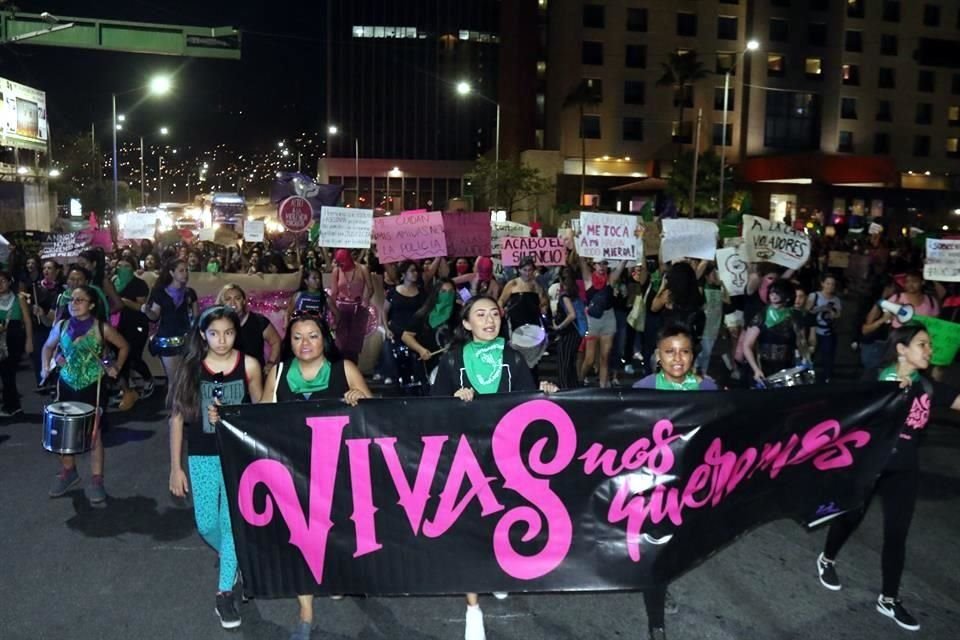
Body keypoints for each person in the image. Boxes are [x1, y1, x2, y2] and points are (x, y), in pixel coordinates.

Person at [816, 324, 960, 632]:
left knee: (897, 533)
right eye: (923, 344)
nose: (930, 350)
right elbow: (847, 417)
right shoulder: (874, 380)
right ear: (901, 349)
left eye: (930, 345)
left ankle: (889, 598)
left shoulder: (929, 388)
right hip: (870, 464)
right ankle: (827, 558)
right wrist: (893, 392)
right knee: (851, 517)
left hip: (905, 469)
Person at [430, 295, 557, 640]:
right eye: (480, 315)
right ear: (467, 324)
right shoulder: (452, 359)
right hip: (465, 457)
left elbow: (529, 406)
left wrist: (545, 392)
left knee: (504, 523)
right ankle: (473, 608)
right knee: (471, 528)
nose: (490, 320)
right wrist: (453, 402)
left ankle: (497, 575)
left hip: (506, 457)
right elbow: (431, 411)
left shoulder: (514, 357)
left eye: (494, 314)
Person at [254, 313, 372, 640]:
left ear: (325, 338)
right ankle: (305, 612)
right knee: (300, 538)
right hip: (292, 470)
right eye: (297, 337)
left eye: (312, 336)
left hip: (338, 469)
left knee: (336, 531)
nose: (305, 344)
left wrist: (359, 399)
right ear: (289, 341)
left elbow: (375, 415)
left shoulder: (344, 370)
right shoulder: (277, 374)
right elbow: (261, 416)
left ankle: (336, 576)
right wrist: (226, 416)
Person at [169, 305, 263, 630]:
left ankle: (225, 593)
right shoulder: (191, 369)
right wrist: (175, 467)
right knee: (206, 522)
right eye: (214, 333)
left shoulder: (249, 365)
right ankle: (235, 559)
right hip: (202, 455)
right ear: (202, 335)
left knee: (231, 523)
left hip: (238, 456)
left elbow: (262, 411)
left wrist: (233, 414)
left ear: (237, 333)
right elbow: (178, 418)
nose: (222, 340)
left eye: (229, 333)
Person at [633, 323, 717, 640]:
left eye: (684, 352)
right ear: (658, 356)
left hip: (693, 484)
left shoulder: (707, 388)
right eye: (670, 352)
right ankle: (656, 620)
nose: (677, 359)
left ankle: (659, 577)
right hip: (654, 487)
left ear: (693, 356)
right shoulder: (643, 387)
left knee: (679, 544)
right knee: (658, 549)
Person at [41, 284, 129, 502]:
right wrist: (46, 365)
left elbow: (124, 346)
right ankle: (69, 472)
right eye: (72, 300)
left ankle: (97, 480)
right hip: (67, 383)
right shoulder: (61, 326)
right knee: (63, 431)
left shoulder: (101, 328)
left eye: (80, 300)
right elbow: (47, 347)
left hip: (93, 385)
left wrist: (115, 367)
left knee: (94, 434)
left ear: (91, 304)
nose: (74, 304)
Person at [142, 259, 199, 397]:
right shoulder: (160, 292)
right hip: (167, 339)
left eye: (186, 270)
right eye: (181, 270)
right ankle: (175, 412)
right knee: (174, 380)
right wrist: (147, 311)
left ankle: (185, 410)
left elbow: (197, 317)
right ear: (172, 273)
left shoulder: (190, 293)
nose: (185, 273)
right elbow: (154, 316)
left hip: (186, 339)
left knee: (186, 379)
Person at [742, 279, 810, 384]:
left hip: (788, 367)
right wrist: (756, 369)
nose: (773, 295)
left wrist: (806, 360)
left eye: (778, 292)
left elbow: (801, 342)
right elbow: (747, 345)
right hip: (764, 368)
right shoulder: (761, 316)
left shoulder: (794, 315)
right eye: (772, 292)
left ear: (787, 297)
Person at [400, 278, 459, 393]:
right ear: (436, 293)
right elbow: (406, 335)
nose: (447, 295)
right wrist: (421, 350)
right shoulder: (424, 313)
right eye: (443, 292)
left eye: (451, 292)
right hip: (432, 363)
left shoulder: (460, 312)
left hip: (457, 361)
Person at [112, 255, 154, 409]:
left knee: (134, 356)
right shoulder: (113, 282)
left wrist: (121, 301)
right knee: (120, 357)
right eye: (120, 266)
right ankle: (127, 388)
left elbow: (141, 306)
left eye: (127, 266)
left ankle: (148, 380)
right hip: (117, 326)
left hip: (137, 324)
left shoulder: (139, 284)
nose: (122, 269)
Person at [578, 257, 627, 388]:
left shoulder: (610, 280)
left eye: (604, 264)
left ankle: (603, 386)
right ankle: (579, 381)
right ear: (593, 265)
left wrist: (629, 248)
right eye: (599, 264)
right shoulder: (588, 279)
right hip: (593, 321)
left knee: (605, 356)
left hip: (608, 318)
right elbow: (581, 260)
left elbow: (622, 265)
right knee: (589, 359)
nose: (601, 267)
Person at [218, 284, 282, 371]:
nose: (233, 303)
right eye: (228, 299)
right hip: (228, 375)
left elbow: (276, 342)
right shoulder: (218, 324)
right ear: (222, 303)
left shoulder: (259, 321)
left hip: (255, 375)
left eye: (237, 298)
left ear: (244, 301)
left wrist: (271, 363)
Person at [382, 261, 426, 387]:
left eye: (416, 271)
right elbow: (384, 311)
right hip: (395, 331)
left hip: (414, 333)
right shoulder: (393, 292)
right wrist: (386, 329)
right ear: (403, 273)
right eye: (412, 271)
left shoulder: (421, 293)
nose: (415, 273)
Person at [330, 249, 373, 363]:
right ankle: (341, 370)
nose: (342, 265)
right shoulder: (337, 270)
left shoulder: (362, 269)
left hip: (358, 307)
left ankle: (353, 371)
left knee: (354, 344)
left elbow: (370, 288)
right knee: (341, 343)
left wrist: (365, 303)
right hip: (341, 307)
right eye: (339, 262)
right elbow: (334, 292)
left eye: (343, 262)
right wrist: (333, 312)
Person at [0, 271, 33, 418]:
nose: (0, 284)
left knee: (8, 372)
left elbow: (27, 321)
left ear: (9, 282)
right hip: (1, 339)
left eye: (3, 281)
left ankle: (12, 406)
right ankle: (11, 405)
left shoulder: (19, 298)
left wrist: (29, 341)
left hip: (14, 339)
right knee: (5, 373)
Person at [552, 266, 585, 389]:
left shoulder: (565, 296)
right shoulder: (574, 294)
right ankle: (572, 389)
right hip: (575, 333)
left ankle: (564, 390)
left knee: (563, 365)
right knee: (570, 364)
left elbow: (572, 315)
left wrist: (559, 327)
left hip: (568, 334)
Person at [806, 273, 842, 383]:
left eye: (832, 284)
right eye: (828, 283)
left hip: (828, 331)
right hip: (814, 330)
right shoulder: (814, 296)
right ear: (822, 284)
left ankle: (827, 378)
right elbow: (807, 309)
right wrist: (820, 308)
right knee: (810, 355)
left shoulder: (836, 300)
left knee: (828, 357)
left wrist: (831, 311)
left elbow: (838, 315)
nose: (830, 286)